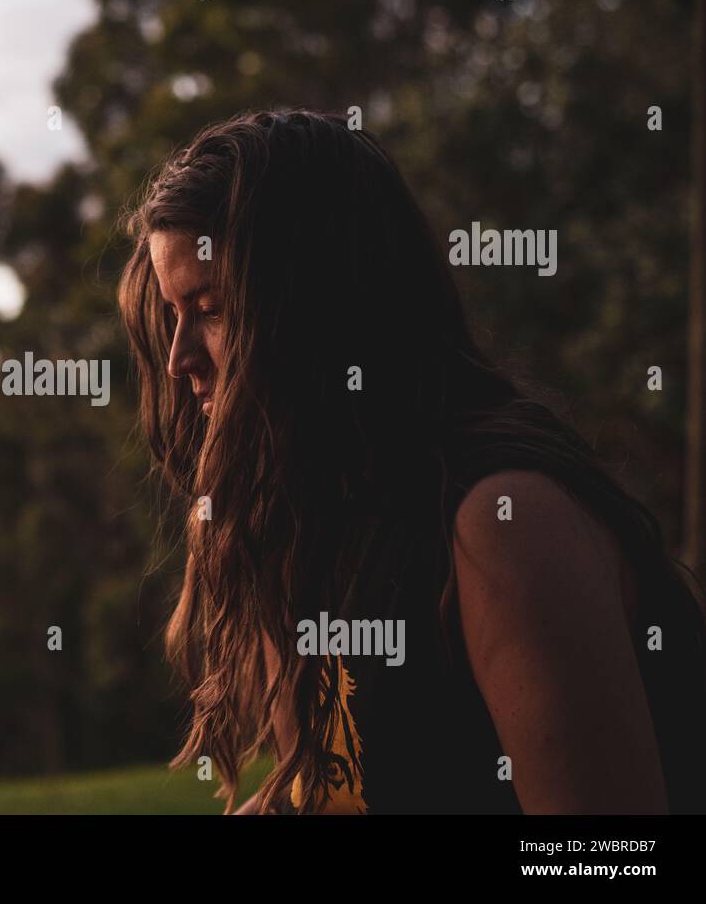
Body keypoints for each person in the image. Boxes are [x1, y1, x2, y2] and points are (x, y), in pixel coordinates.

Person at [116, 109, 706, 814]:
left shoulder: (502, 522)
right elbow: (331, 798)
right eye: (173, 314)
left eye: (210, 309)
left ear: (314, 307)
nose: (180, 359)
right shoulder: (297, 524)